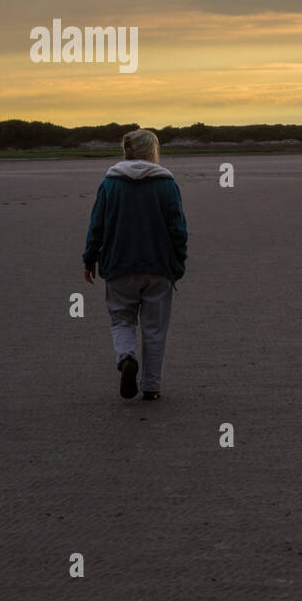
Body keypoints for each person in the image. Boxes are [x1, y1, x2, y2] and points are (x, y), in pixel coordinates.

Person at [82, 129, 188, 402]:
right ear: (152, 151)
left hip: (119, 265)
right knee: (155, 329)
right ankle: (151, 387)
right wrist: (178, 261)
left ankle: (126, 357)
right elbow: (178, 229)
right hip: (159, 266)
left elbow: (97, 226)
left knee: (121, 320)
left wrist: (89, 258)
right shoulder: (167, 184)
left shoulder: (110, 184)